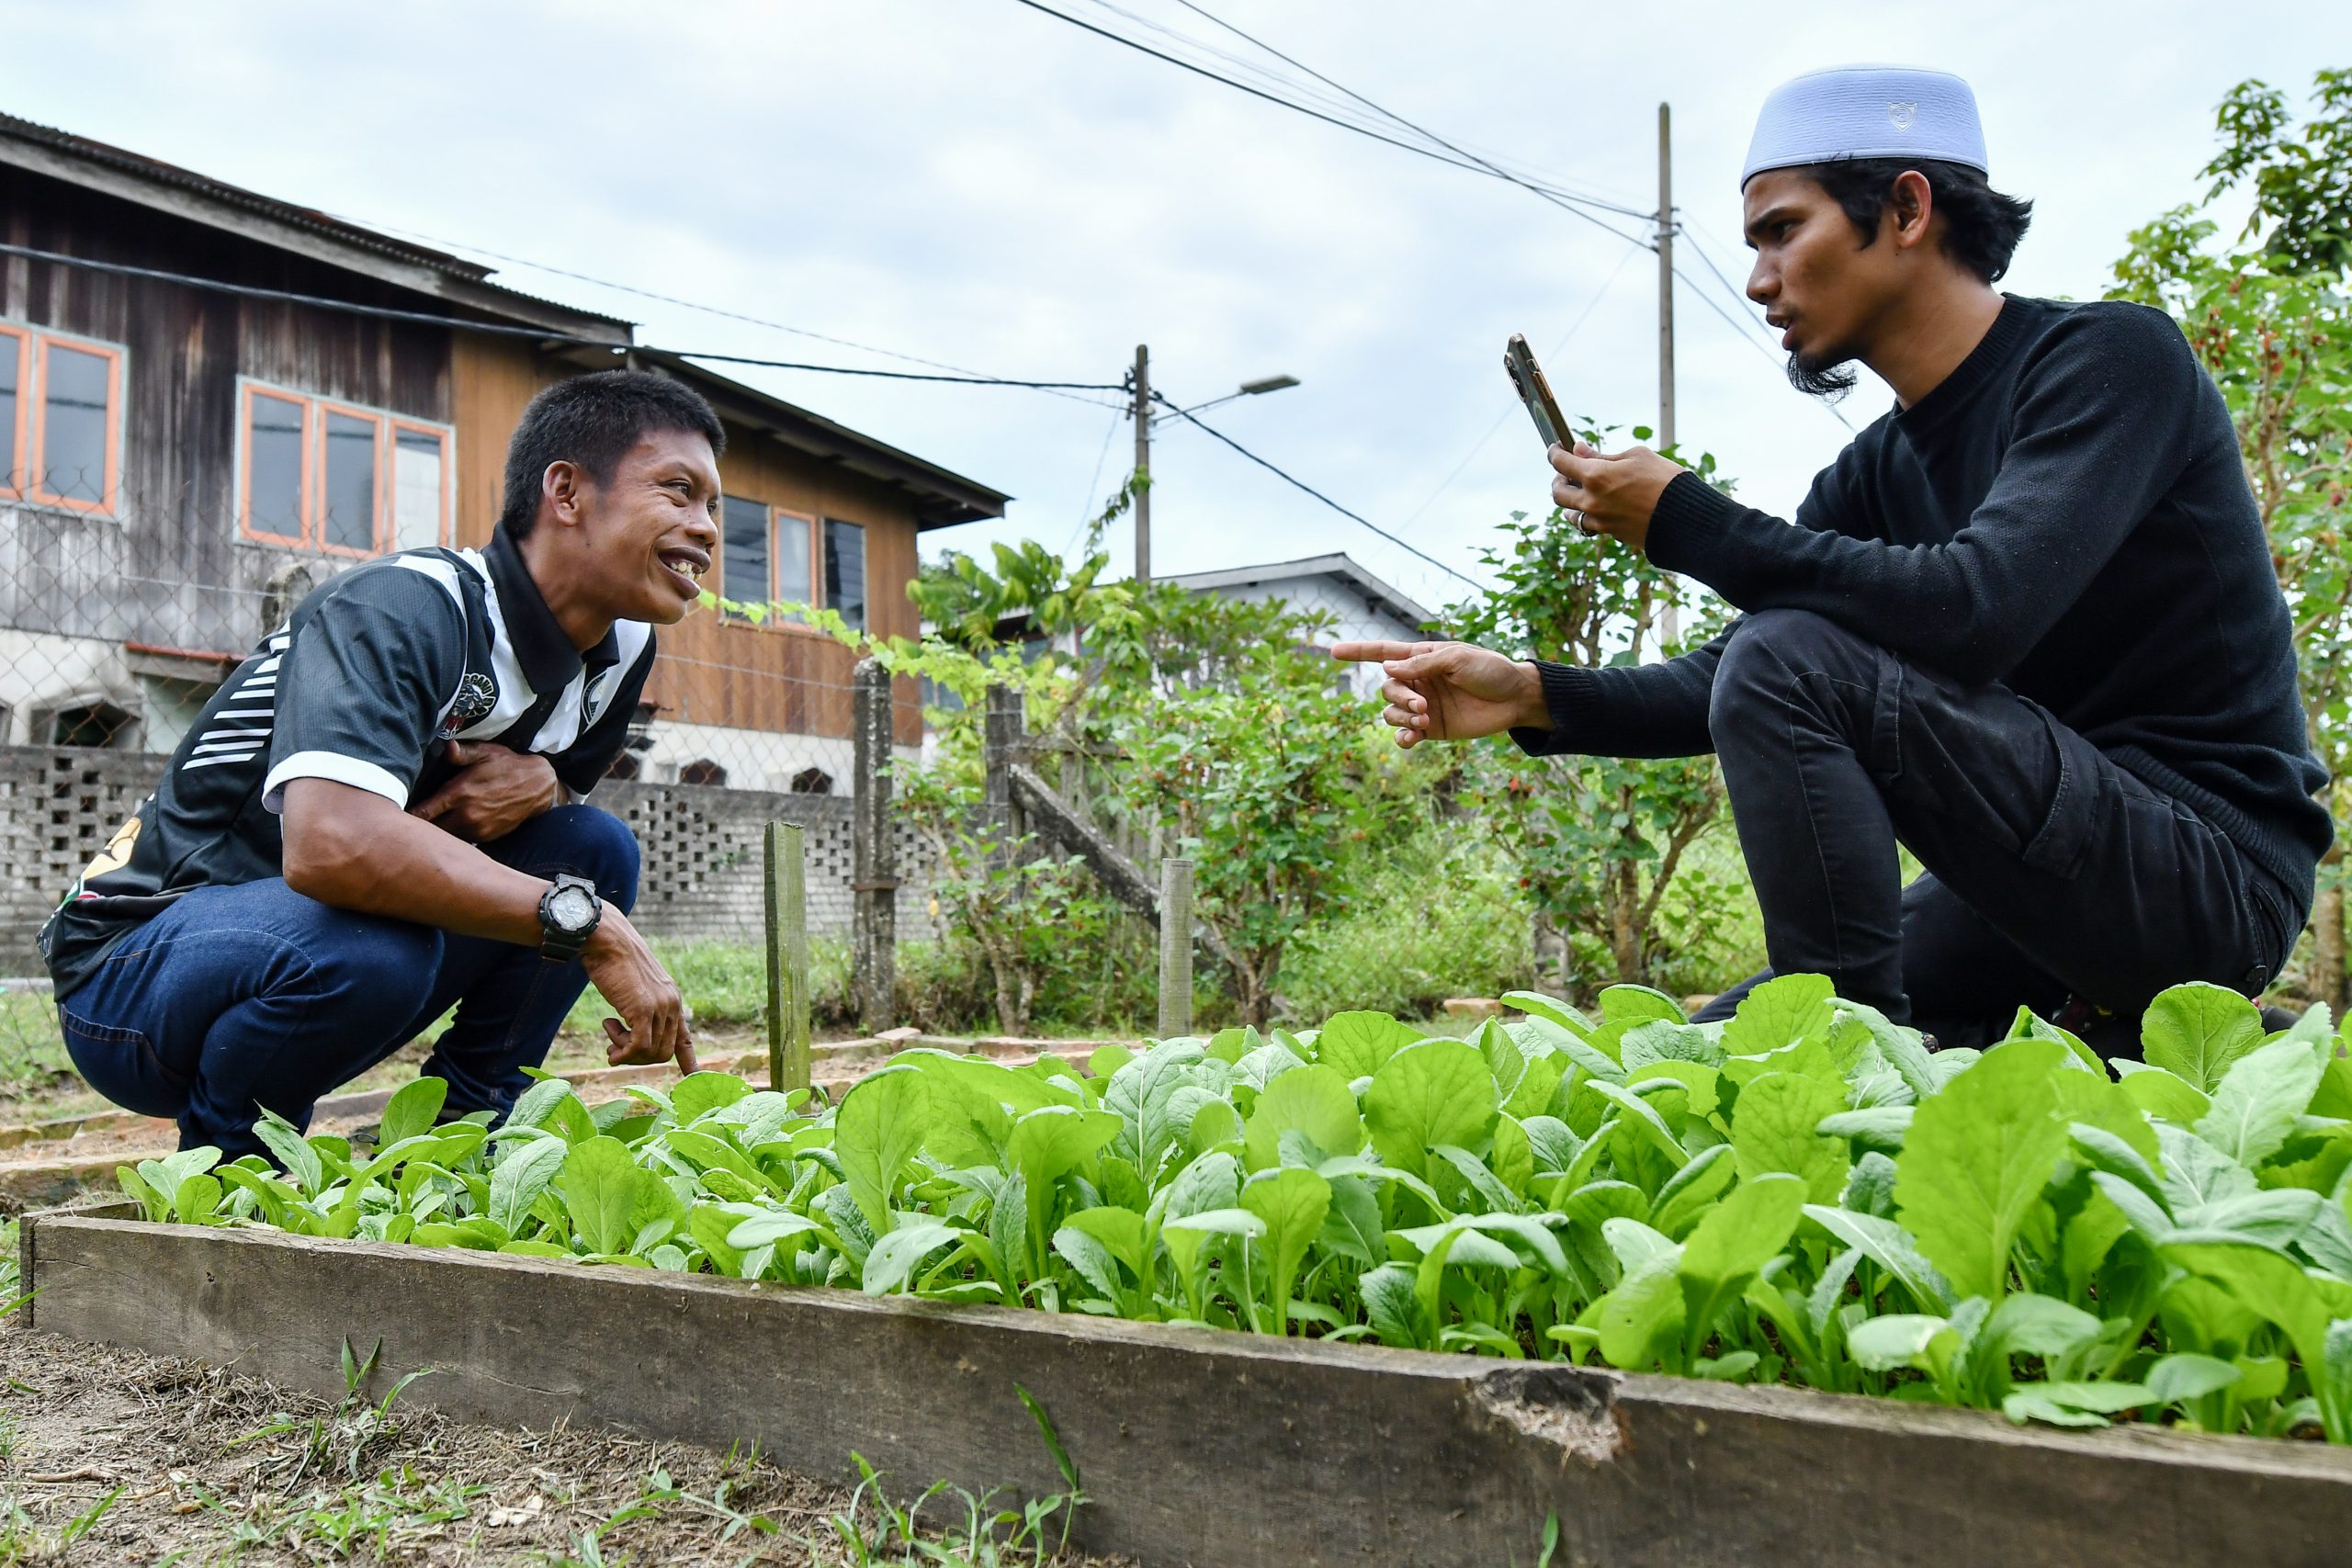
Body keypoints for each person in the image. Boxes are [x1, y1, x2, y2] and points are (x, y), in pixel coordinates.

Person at [1339, 65, 2331, 1054]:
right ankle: (2141, 1044)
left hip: (2209, 878)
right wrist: (1531, 694)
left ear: (1905, 208)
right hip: (2039, 878)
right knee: (1726, 1036)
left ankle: (1857, 1082)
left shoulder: (2108, 361)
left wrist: (1689, 521)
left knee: (1793, 683)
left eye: (1782, 231)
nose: (1760, 279)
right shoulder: (1872, 475)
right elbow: (1728, 677)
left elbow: (1976, 609)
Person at [40, 370, 719, 1156]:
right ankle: (234, 1169)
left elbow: (563, 788)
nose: (704, 528)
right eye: (678, 492)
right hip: (137, 973)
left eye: (712, 506)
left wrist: (550, 782)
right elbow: (333, 844)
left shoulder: (622, 646)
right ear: (566, 492)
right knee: (389, 946)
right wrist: (590, 928)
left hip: (328, 956)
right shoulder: (404, 608)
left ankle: (462, 1139)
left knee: (593, 850)